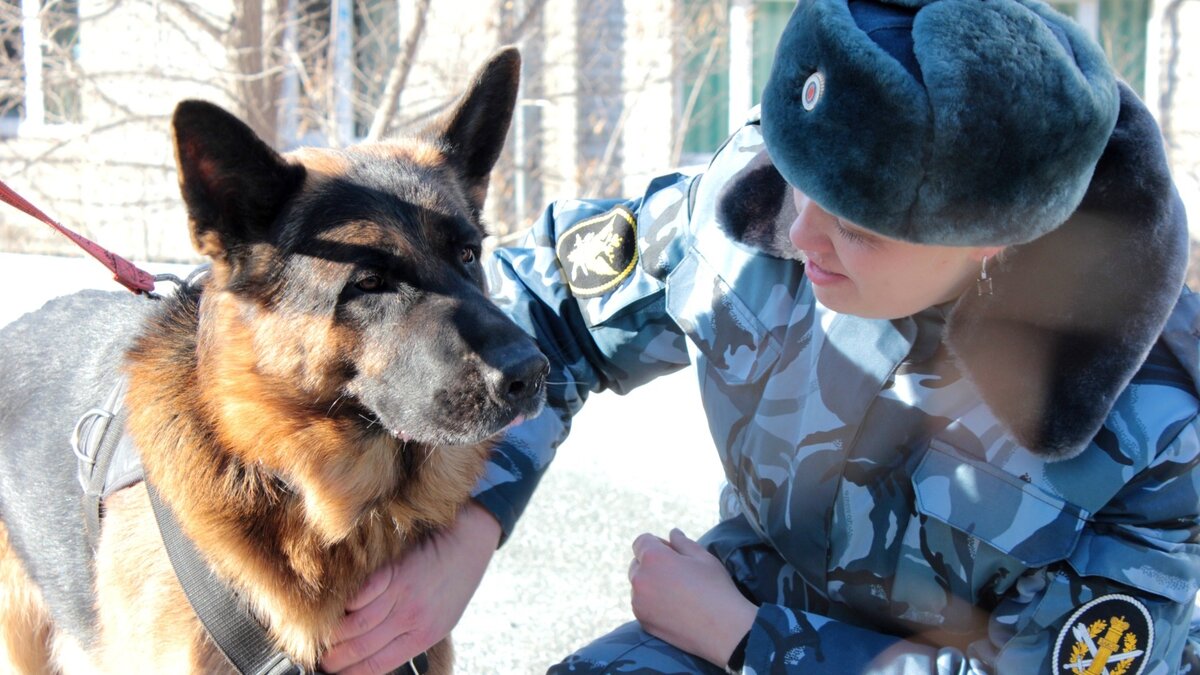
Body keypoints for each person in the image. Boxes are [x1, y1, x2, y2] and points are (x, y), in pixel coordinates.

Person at [321, 0, 1200, 672]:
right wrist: (468, 529)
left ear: (998, 237)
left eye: (860, 227)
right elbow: (545, 308)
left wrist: (752, 640)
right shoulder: (755, 207)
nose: (800, 233)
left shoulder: (1160, 420)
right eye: (800, 177)